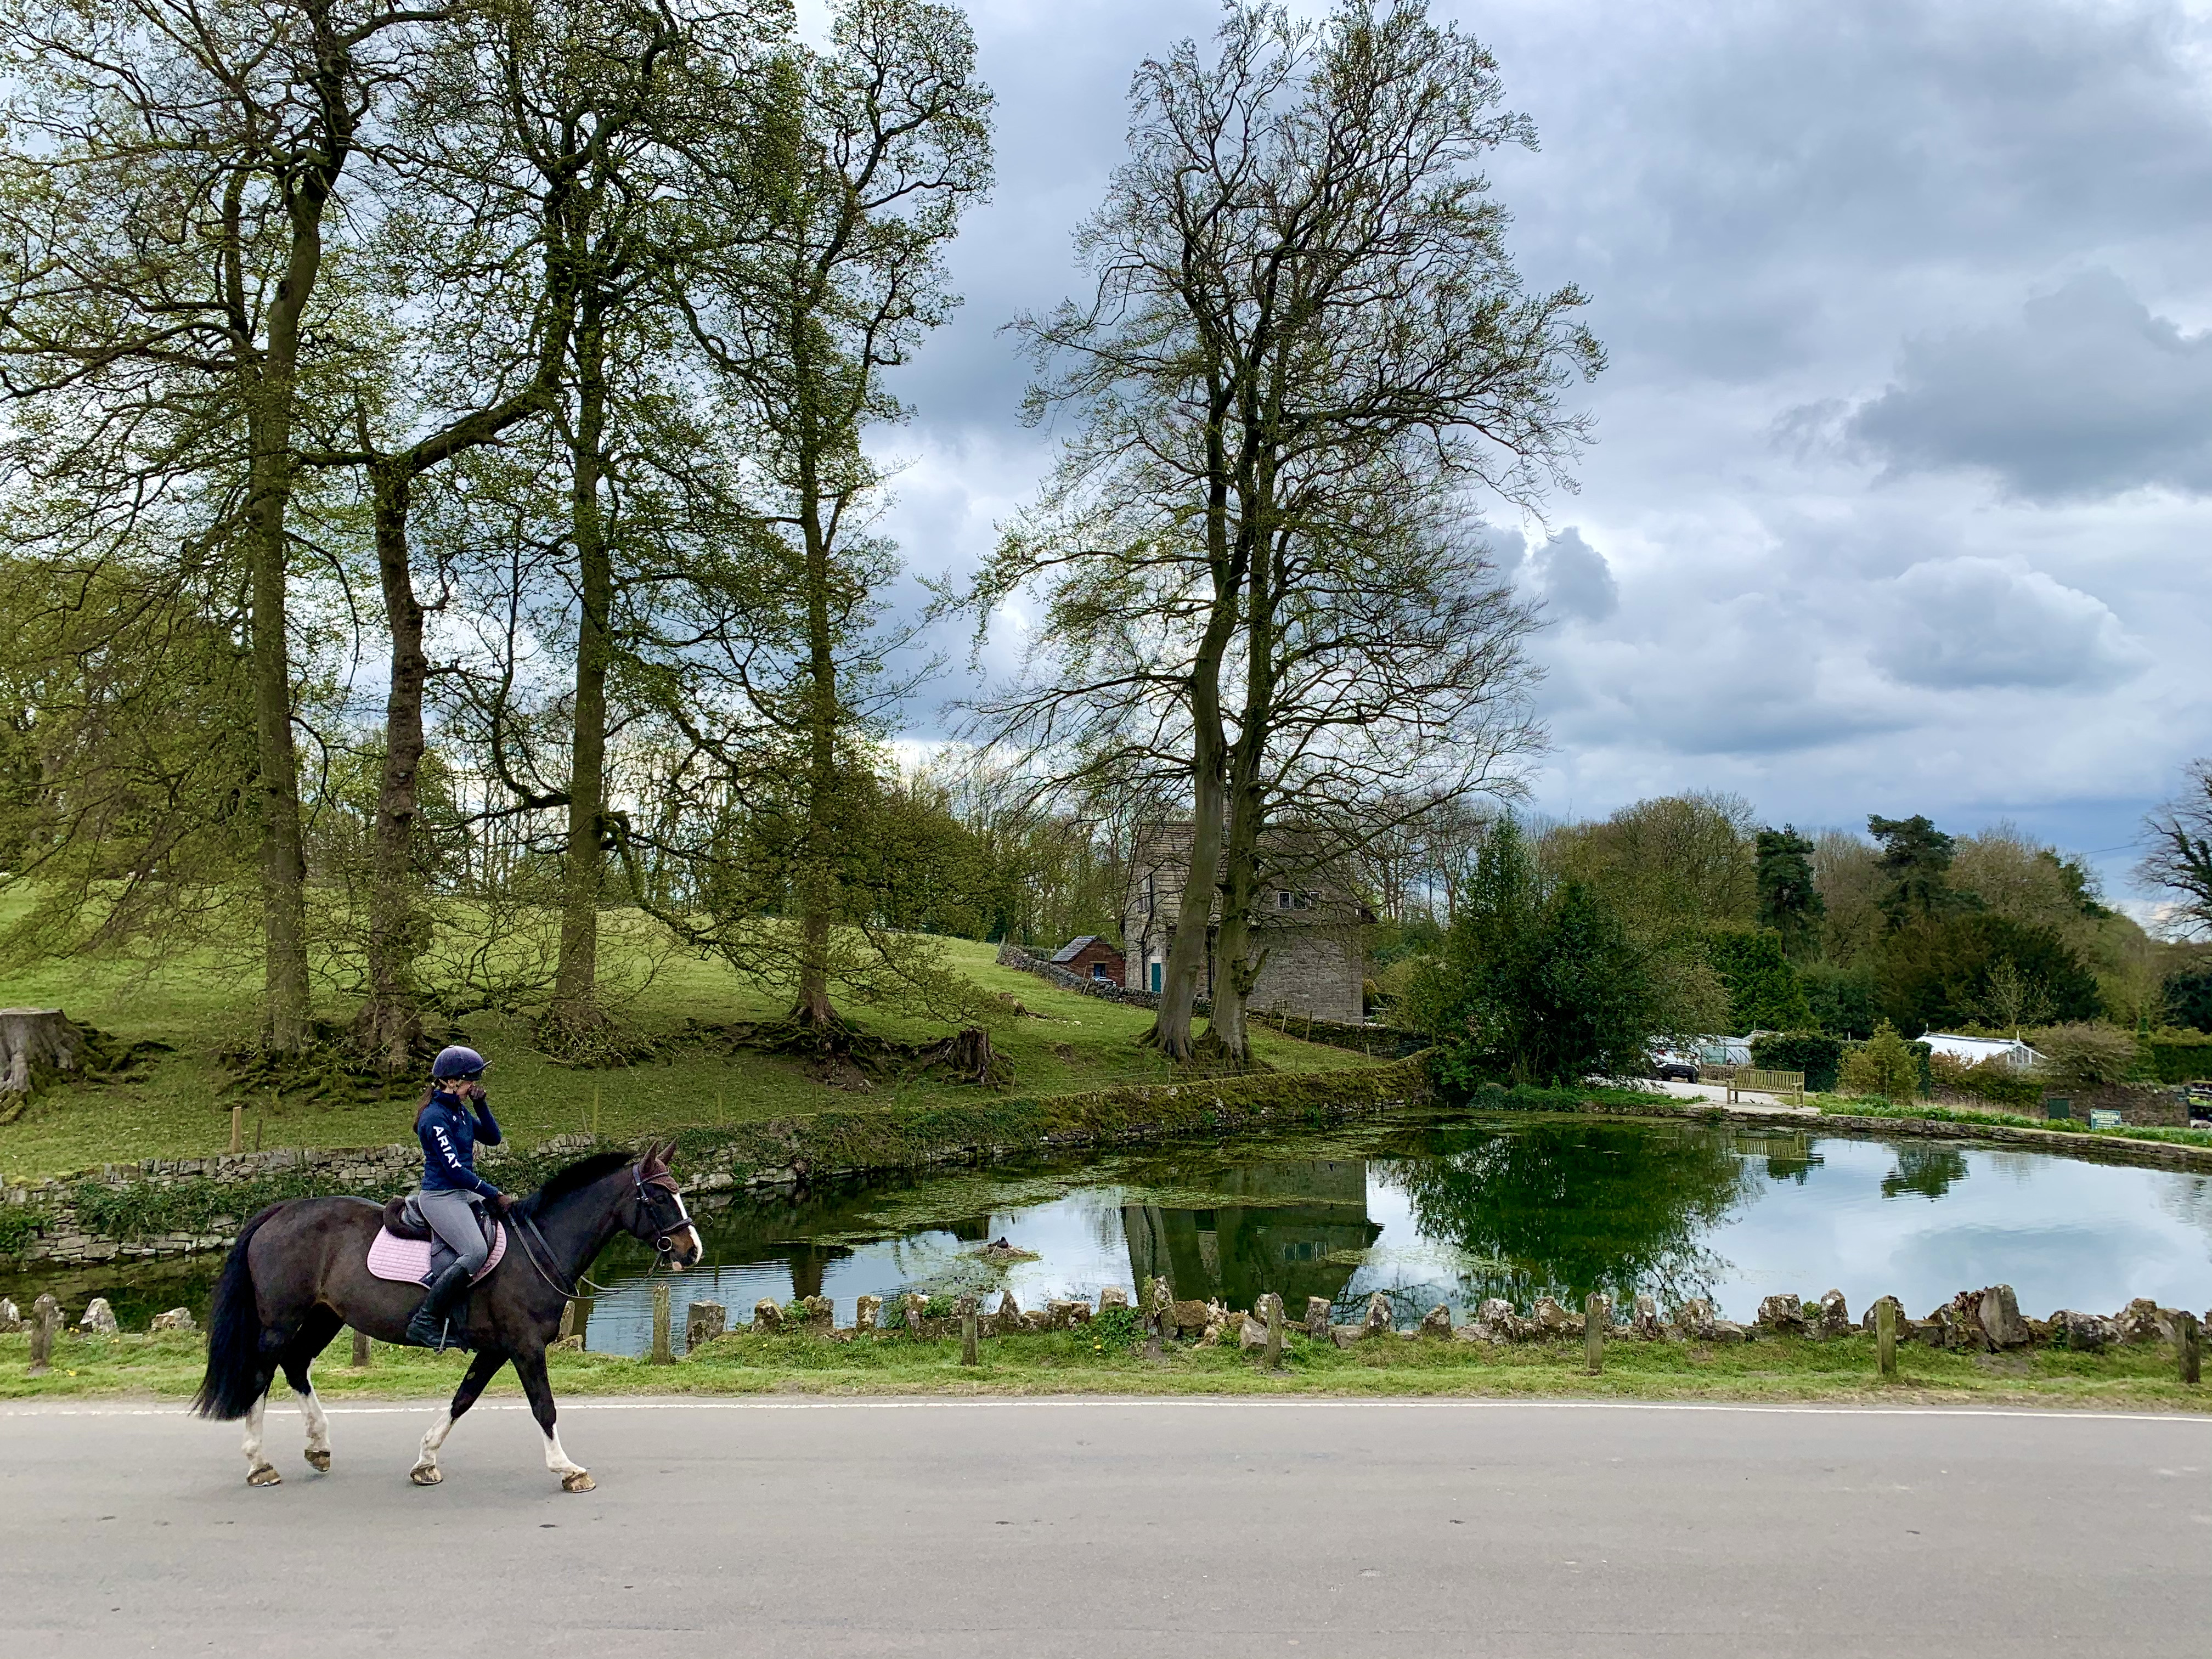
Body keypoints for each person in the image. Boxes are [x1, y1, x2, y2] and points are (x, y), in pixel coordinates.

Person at [404, 1045, 512, 1351]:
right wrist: (494, 1193)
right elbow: (454, 1171)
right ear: (451, 1082)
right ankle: (425, 1321)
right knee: (475, 1251)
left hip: (464, 1192)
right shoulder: (435, 1117)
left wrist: (482, 1105)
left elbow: (493, 1138)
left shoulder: (459, 1112)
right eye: (470, 1080)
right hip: (441, 1196)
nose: (474, 1085)